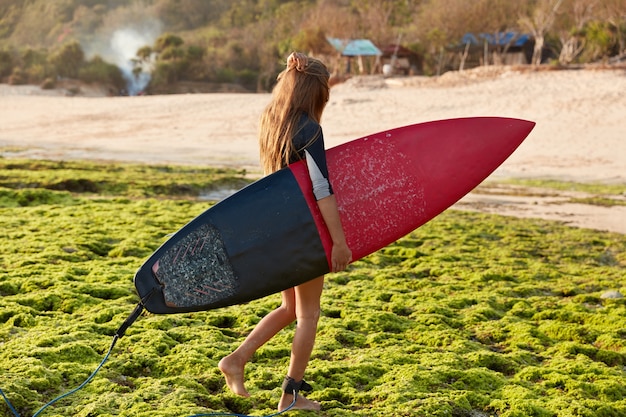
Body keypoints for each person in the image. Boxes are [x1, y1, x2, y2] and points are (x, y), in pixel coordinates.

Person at [218, 52, 352, 412]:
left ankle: (237, 359)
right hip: (304, 232)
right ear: (316, 91)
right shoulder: (309, 129)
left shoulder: (271, 122)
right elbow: (322, 188)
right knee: (309, 314)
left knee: (290, 307)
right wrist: (338, 241)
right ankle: (290, 397)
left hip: (276, 229)